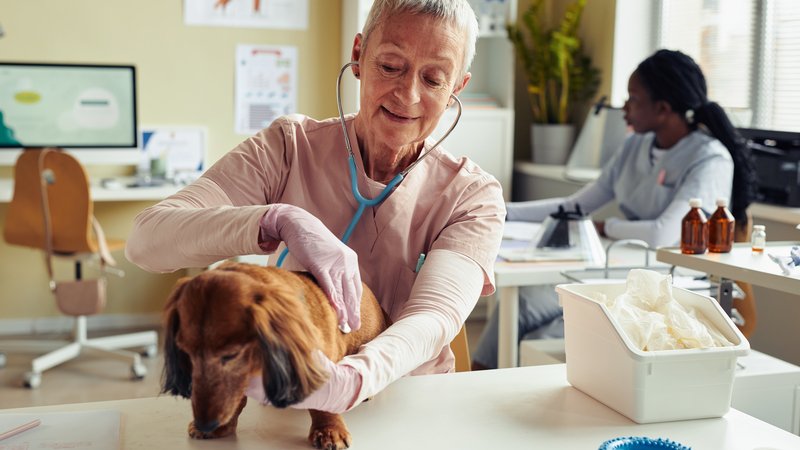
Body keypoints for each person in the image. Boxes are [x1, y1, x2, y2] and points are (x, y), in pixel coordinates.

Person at [126, 0, 505, 413]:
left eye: (433, 79)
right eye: (391, 66)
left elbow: (434, 317)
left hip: (410, 404)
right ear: (358, 55)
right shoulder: (288, 147)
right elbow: (146, 241)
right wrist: (276, 219)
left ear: (457, 89)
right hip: (292, 397)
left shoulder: (472, 196)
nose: (407, 94)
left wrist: (352, 380)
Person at [471, 49, 758, 370]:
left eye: (633, 98)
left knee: (542, 334)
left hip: (666, 282)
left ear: (662, 109)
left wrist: (606, 227)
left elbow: (664, 233)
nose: (624, 108)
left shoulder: (710, 158)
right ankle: (472, 385)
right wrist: (498, 208)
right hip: (620, 266)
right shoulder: (635, 145)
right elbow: (575, 206)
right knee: (520, 307)